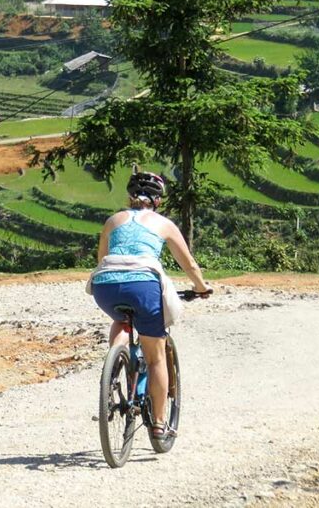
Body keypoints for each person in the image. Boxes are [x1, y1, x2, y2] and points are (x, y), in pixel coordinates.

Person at [90, 169, 211, 441]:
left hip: (105, 285)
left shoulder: (113, 220)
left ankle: (114, 366)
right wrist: (201, 287)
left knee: (121, 320)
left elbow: (102, 258)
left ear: (130, 196)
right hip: (143, 285)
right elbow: (188, 264)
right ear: (158, 200)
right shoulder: (164, 224)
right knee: (156, 358)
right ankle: (158, 425)